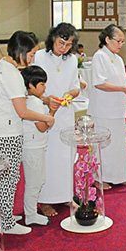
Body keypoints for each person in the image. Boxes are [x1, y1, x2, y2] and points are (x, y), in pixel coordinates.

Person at [0, 31, 55, 235]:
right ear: (20, 51)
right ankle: (6, 223)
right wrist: (46, 117)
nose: (32, 59)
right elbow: (22, 111)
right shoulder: (12, 74)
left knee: (2, 176)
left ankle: (3, 215)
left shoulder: (3, 65)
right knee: (8, 177)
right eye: (31, 54)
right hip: (5, 131)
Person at [33, 23, 80, 216]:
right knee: (48, 157)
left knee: (66, 156)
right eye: (61, 43)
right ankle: (44, 200)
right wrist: (46, 99)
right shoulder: (40, 56)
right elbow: (31, 85)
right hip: (45, 111)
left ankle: (66, 195)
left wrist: (69, 94)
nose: (64, 48)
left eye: (69, 45)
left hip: (65, 112)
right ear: (52, 38)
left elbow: (76, 87)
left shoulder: (72, 60)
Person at [88, 25, 126, 189]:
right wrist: (124, 88)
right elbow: (100, 83)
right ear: (107, 39)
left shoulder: (118, 58)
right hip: (103, 108)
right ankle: (99, 178)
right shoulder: (100, 56)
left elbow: (120, 82)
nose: (121, 44)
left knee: (117, 144)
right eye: (118, 40)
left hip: (117, 108)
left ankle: (118, 175)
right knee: (103, 145)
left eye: (123, 41)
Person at [20, 66, 52, 226]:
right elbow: (42, 126)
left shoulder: (28, 100)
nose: (44, 88)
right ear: (31, 86)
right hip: (33, 147)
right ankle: (31, 214)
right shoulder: (35, 103)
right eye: (42, 84)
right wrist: (52, 113)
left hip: (32, 145)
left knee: (37, 180)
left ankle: (30, 211)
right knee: (35, 182)